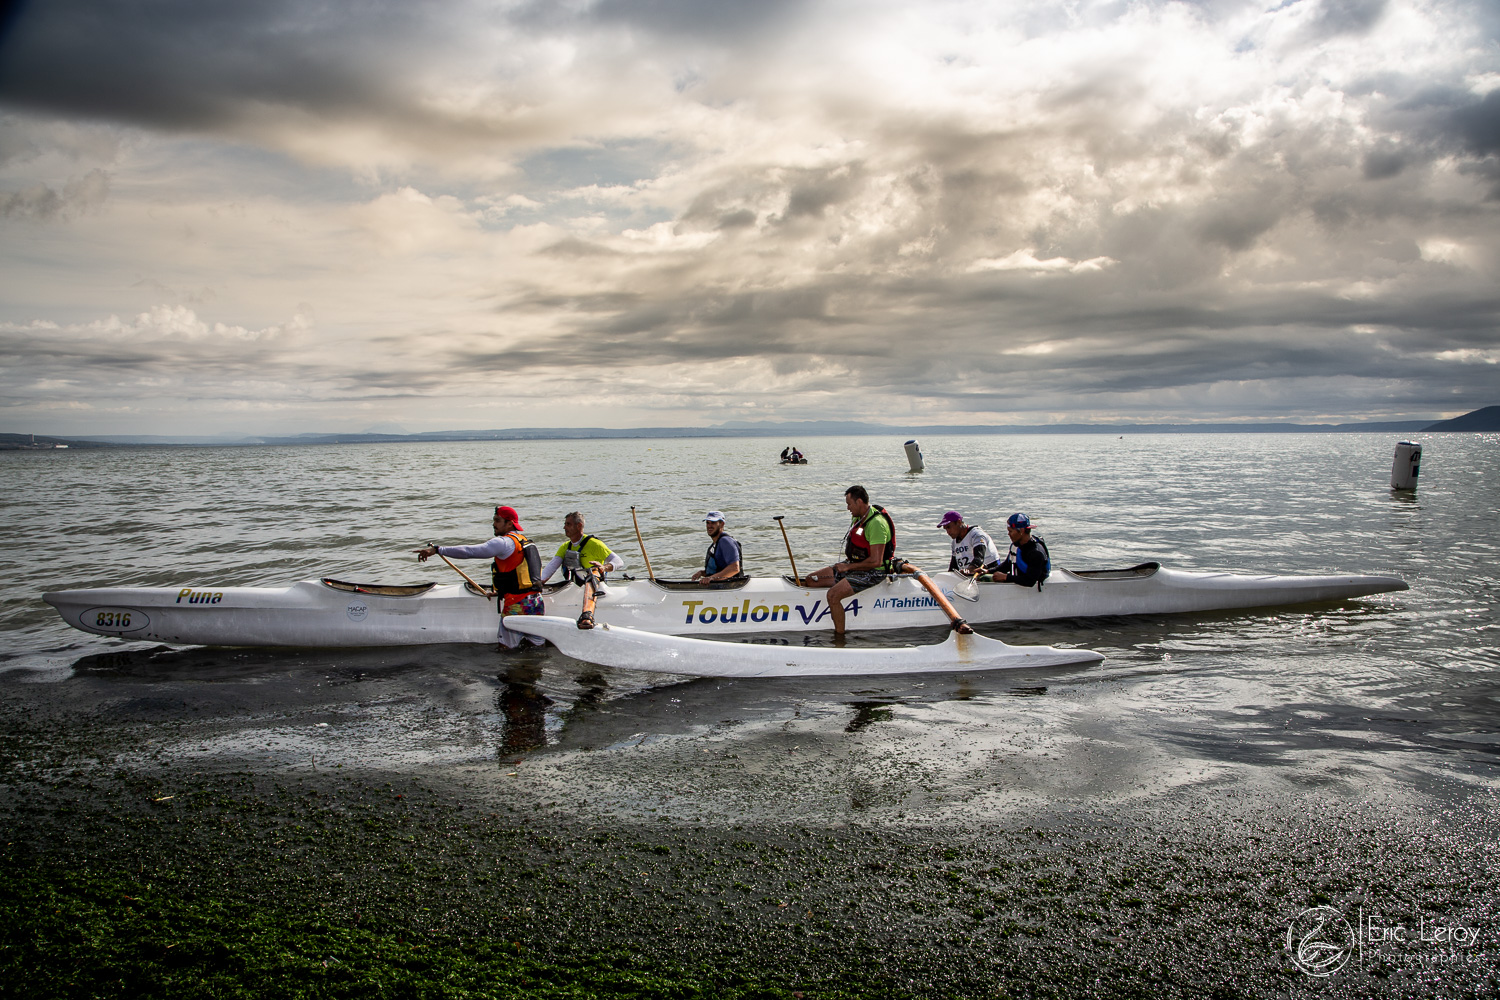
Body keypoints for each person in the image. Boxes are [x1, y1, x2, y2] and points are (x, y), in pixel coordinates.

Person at [414, 505, 544, 648]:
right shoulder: (524, 541)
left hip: (516, 605)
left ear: (509, 523)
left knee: (506, 650)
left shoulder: (503, 543)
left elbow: (469, 551)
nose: (493, 524)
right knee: (536, 647)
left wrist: (438, 550)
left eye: (497, 520)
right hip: (535, 603)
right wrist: (500, 591)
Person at [800, 485, 896, 634]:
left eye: (849, 504)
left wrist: (848, 568)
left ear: (859, 502)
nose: (847, 508)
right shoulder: (858, 518)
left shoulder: (876, 524)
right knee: (812, 580)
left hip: (874, 572)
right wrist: (848, 566)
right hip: (855, 565)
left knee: (832, 595)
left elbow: (876, 562)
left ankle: (840, 637)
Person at [538, 511, 625, 585]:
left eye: (568, 524)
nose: (564, 527)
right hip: (576, 588)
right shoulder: (565, 547)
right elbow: (552, 566)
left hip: (596, 587)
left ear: (579, 526)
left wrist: (604, 567)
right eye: (565, 524)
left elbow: (619, 561)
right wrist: (539, 583)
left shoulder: (595, 544)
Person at [936, 510, 1002, 577]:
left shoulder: (977, 535)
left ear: (959, 522)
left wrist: (969, 569)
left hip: (990, 573)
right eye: (946, 529)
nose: (948, 532)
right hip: (969, 575)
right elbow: (953, 567)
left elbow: (979, 558)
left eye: (949, 527)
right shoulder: (954, 542)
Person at [993, 512, 1050, 588]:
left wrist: (1005, 577)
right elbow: (1007, 565)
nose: (1008, 534)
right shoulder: (1015, 546)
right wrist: (987, 571)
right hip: (1018, 584)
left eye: (1010, 531)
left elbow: (1030, 581)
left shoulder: (1036, 552)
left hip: (1034, 590)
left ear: (1022, 531)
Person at [692, 511, 743, 584]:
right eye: (707, 523)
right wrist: (702, 573)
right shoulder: (715, 545)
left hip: (730, 588)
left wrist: (711, 578)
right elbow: (719, 570)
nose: (709, 526)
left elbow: (734, 568)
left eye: (713, 522)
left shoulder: (725, 541)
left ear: (722, 524)